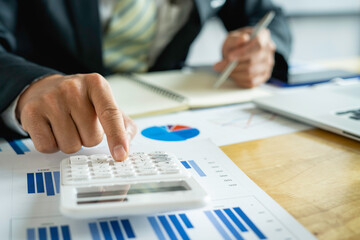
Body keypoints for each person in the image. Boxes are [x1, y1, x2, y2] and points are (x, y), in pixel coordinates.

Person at [0, 0, 291, 161]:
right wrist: (30, 85)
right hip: (49, 132)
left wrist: (262, 45)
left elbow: (268, 14)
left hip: (169, 116)